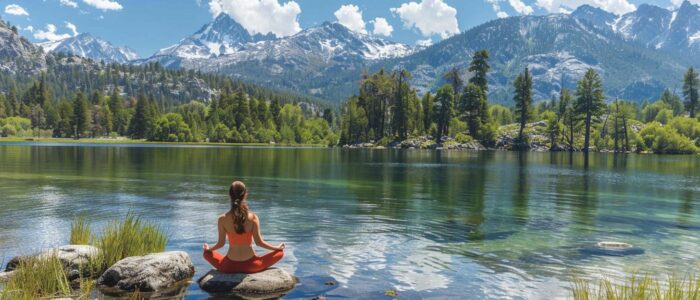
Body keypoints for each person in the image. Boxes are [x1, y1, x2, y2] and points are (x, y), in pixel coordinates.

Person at [203, 181, 285, 273]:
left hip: (228, 266)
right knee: (280, 253)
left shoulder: (222, 219)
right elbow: (259, 243)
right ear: (245, 195)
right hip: (252, 266)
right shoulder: (253, 217)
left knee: (206, 254)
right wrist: (277, 248)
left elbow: (220, 244)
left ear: (229, 195)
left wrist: (209, 249)